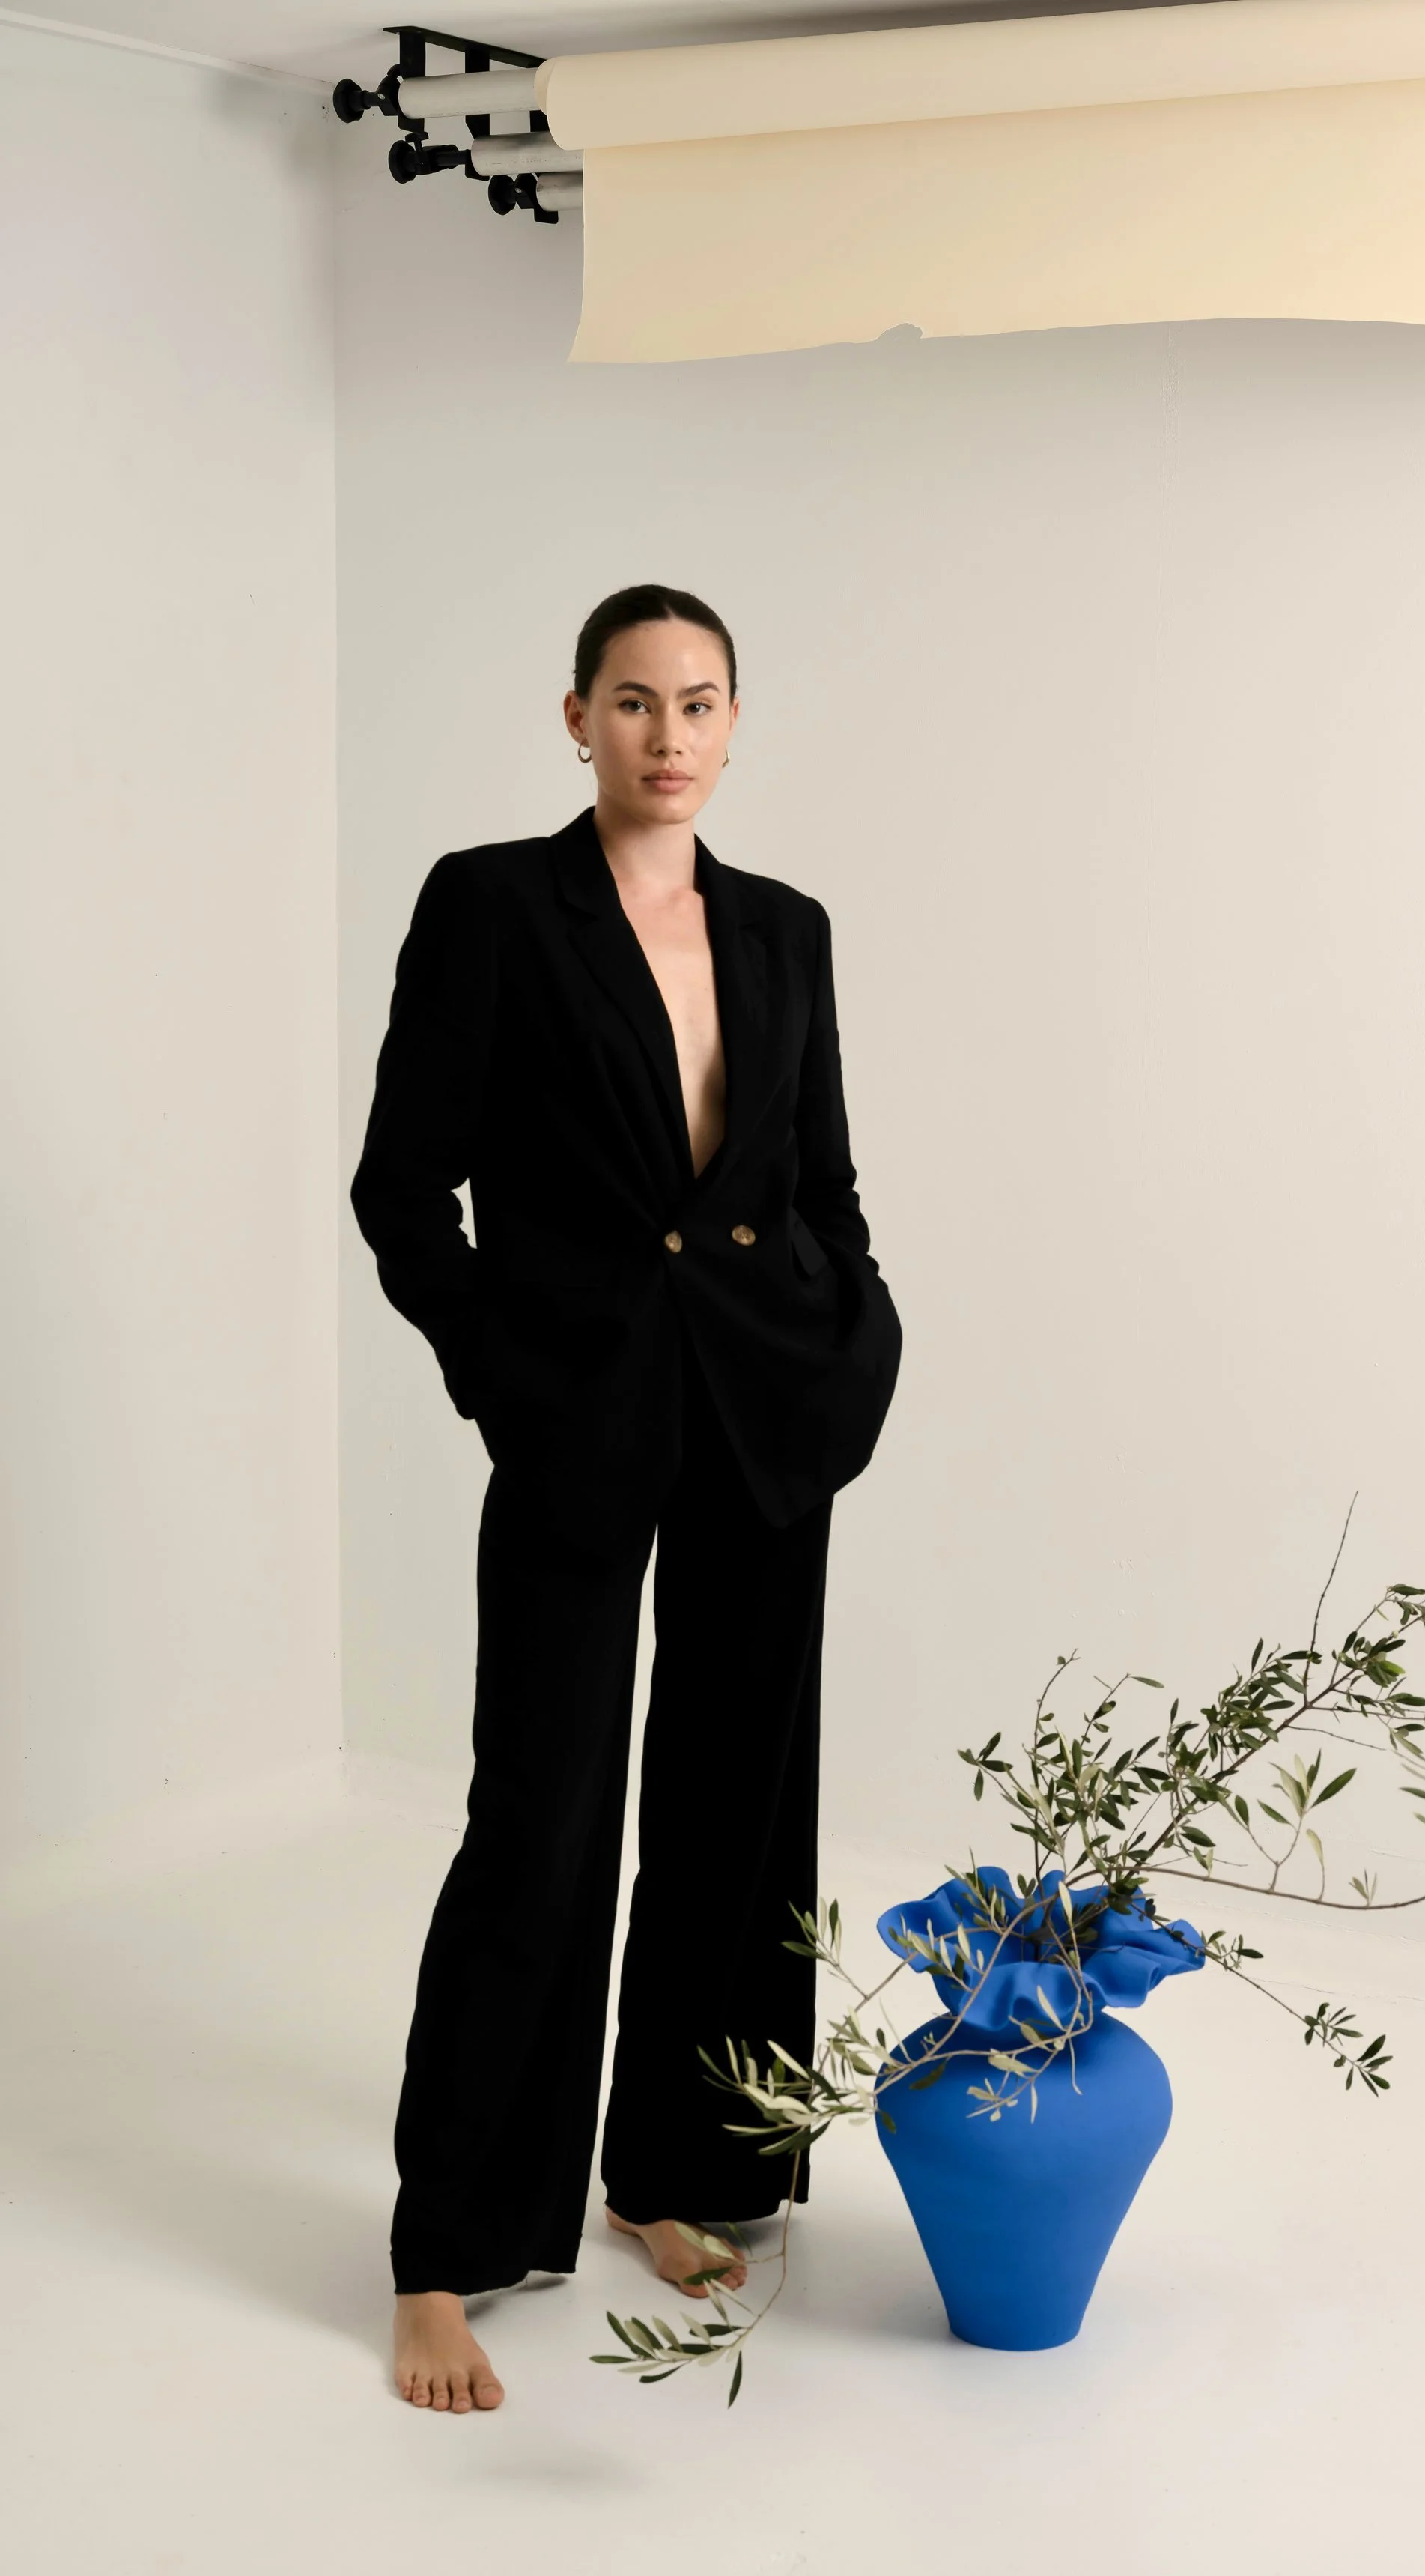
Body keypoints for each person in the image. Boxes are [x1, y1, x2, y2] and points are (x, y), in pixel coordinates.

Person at [349, 583, 902, 2413]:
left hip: (765, 1408)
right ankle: (446, 2249)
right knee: (542, 1810)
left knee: (740, 1806)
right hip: (580, 1412)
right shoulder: (493, 904)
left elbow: (818, 1177)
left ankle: (675, 2170)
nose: (670, 734)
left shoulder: (785, 927)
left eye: (701, 701)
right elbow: (402, 1190)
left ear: (736, 723)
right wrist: (503, 1373)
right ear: (576, 715)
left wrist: (856, 1334)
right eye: (636, 699)